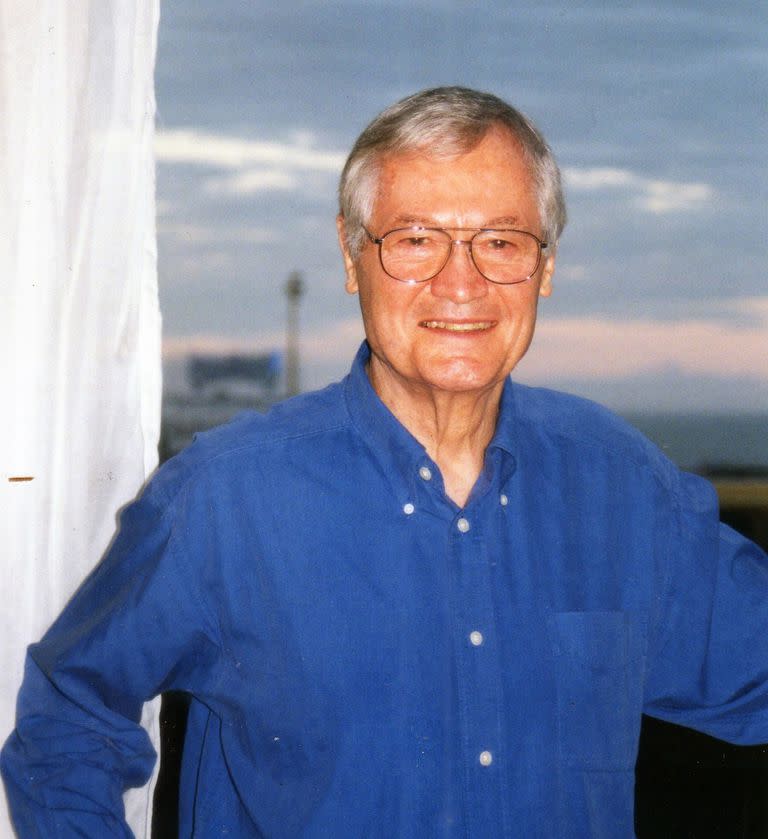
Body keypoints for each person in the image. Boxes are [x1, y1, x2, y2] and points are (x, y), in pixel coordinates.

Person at [2, 86, 767, 838]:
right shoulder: (225, 500)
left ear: (547, 266)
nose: (459, 283)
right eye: (415, 239)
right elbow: (68, 720)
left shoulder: (620, 487)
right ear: (349, 255)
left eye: (501, 241)